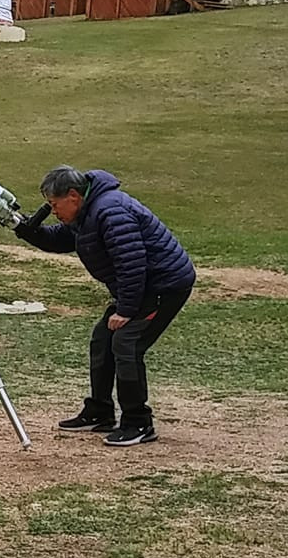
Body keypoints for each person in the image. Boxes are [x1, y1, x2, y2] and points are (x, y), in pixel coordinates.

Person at [14, 166, 195, 446]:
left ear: (73, 196)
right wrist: (25, 230)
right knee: (103, 339)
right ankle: (100, 411)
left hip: (164, 285)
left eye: (54, 205)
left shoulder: (111, 212)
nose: (52, 211)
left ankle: (138, 423)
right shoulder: (87, 211)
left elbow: (132, 265)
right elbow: (59, 240)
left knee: (127, 342)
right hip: (142, 285)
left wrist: (125, 310)